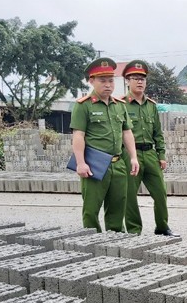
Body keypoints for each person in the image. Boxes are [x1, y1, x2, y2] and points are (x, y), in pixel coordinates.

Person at [70, 58, 139, 232]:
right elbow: (78, 135)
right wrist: (80, 163)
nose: (108, 85)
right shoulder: (83, 106)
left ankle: (115, 243)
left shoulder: (119, 106)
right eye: (102, 80)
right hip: (94, 165)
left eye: (110, 80)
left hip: (118, 164)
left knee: (117, 208)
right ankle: (93, 244)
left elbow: (127, 132)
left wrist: (133, 157)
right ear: (91, 81)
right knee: (91, 209)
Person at [120, 60, 178, 237]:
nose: (139, 82)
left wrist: (161, 155)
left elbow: (158, 133)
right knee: (130, 196)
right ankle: (134, 230)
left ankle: (162, 226)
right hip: (130, 154)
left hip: (150, 154)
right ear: (127, 81)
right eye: (135, 78)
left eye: (142, 79)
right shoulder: (120, 104)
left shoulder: (151, 106)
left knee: (160, 193)